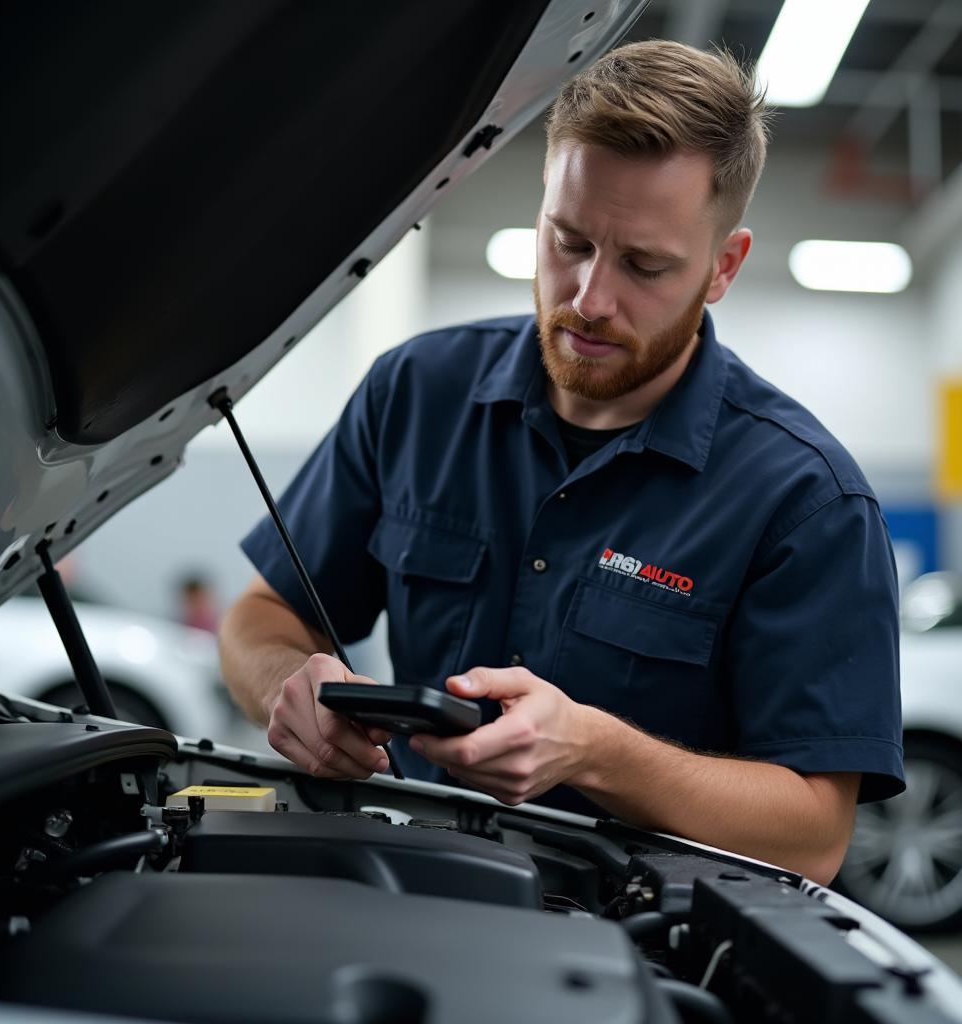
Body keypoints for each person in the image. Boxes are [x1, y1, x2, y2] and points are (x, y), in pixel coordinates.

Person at [220, 40, 903, 884]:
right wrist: (293, 688)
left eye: (645, 265)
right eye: (569, 241)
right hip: (401, 889)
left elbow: (813, 834)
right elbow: (259, 618)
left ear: (723, 267)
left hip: (639, 955)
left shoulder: (806, 500)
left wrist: (600, 754)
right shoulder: (416, 392)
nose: (590, 300)